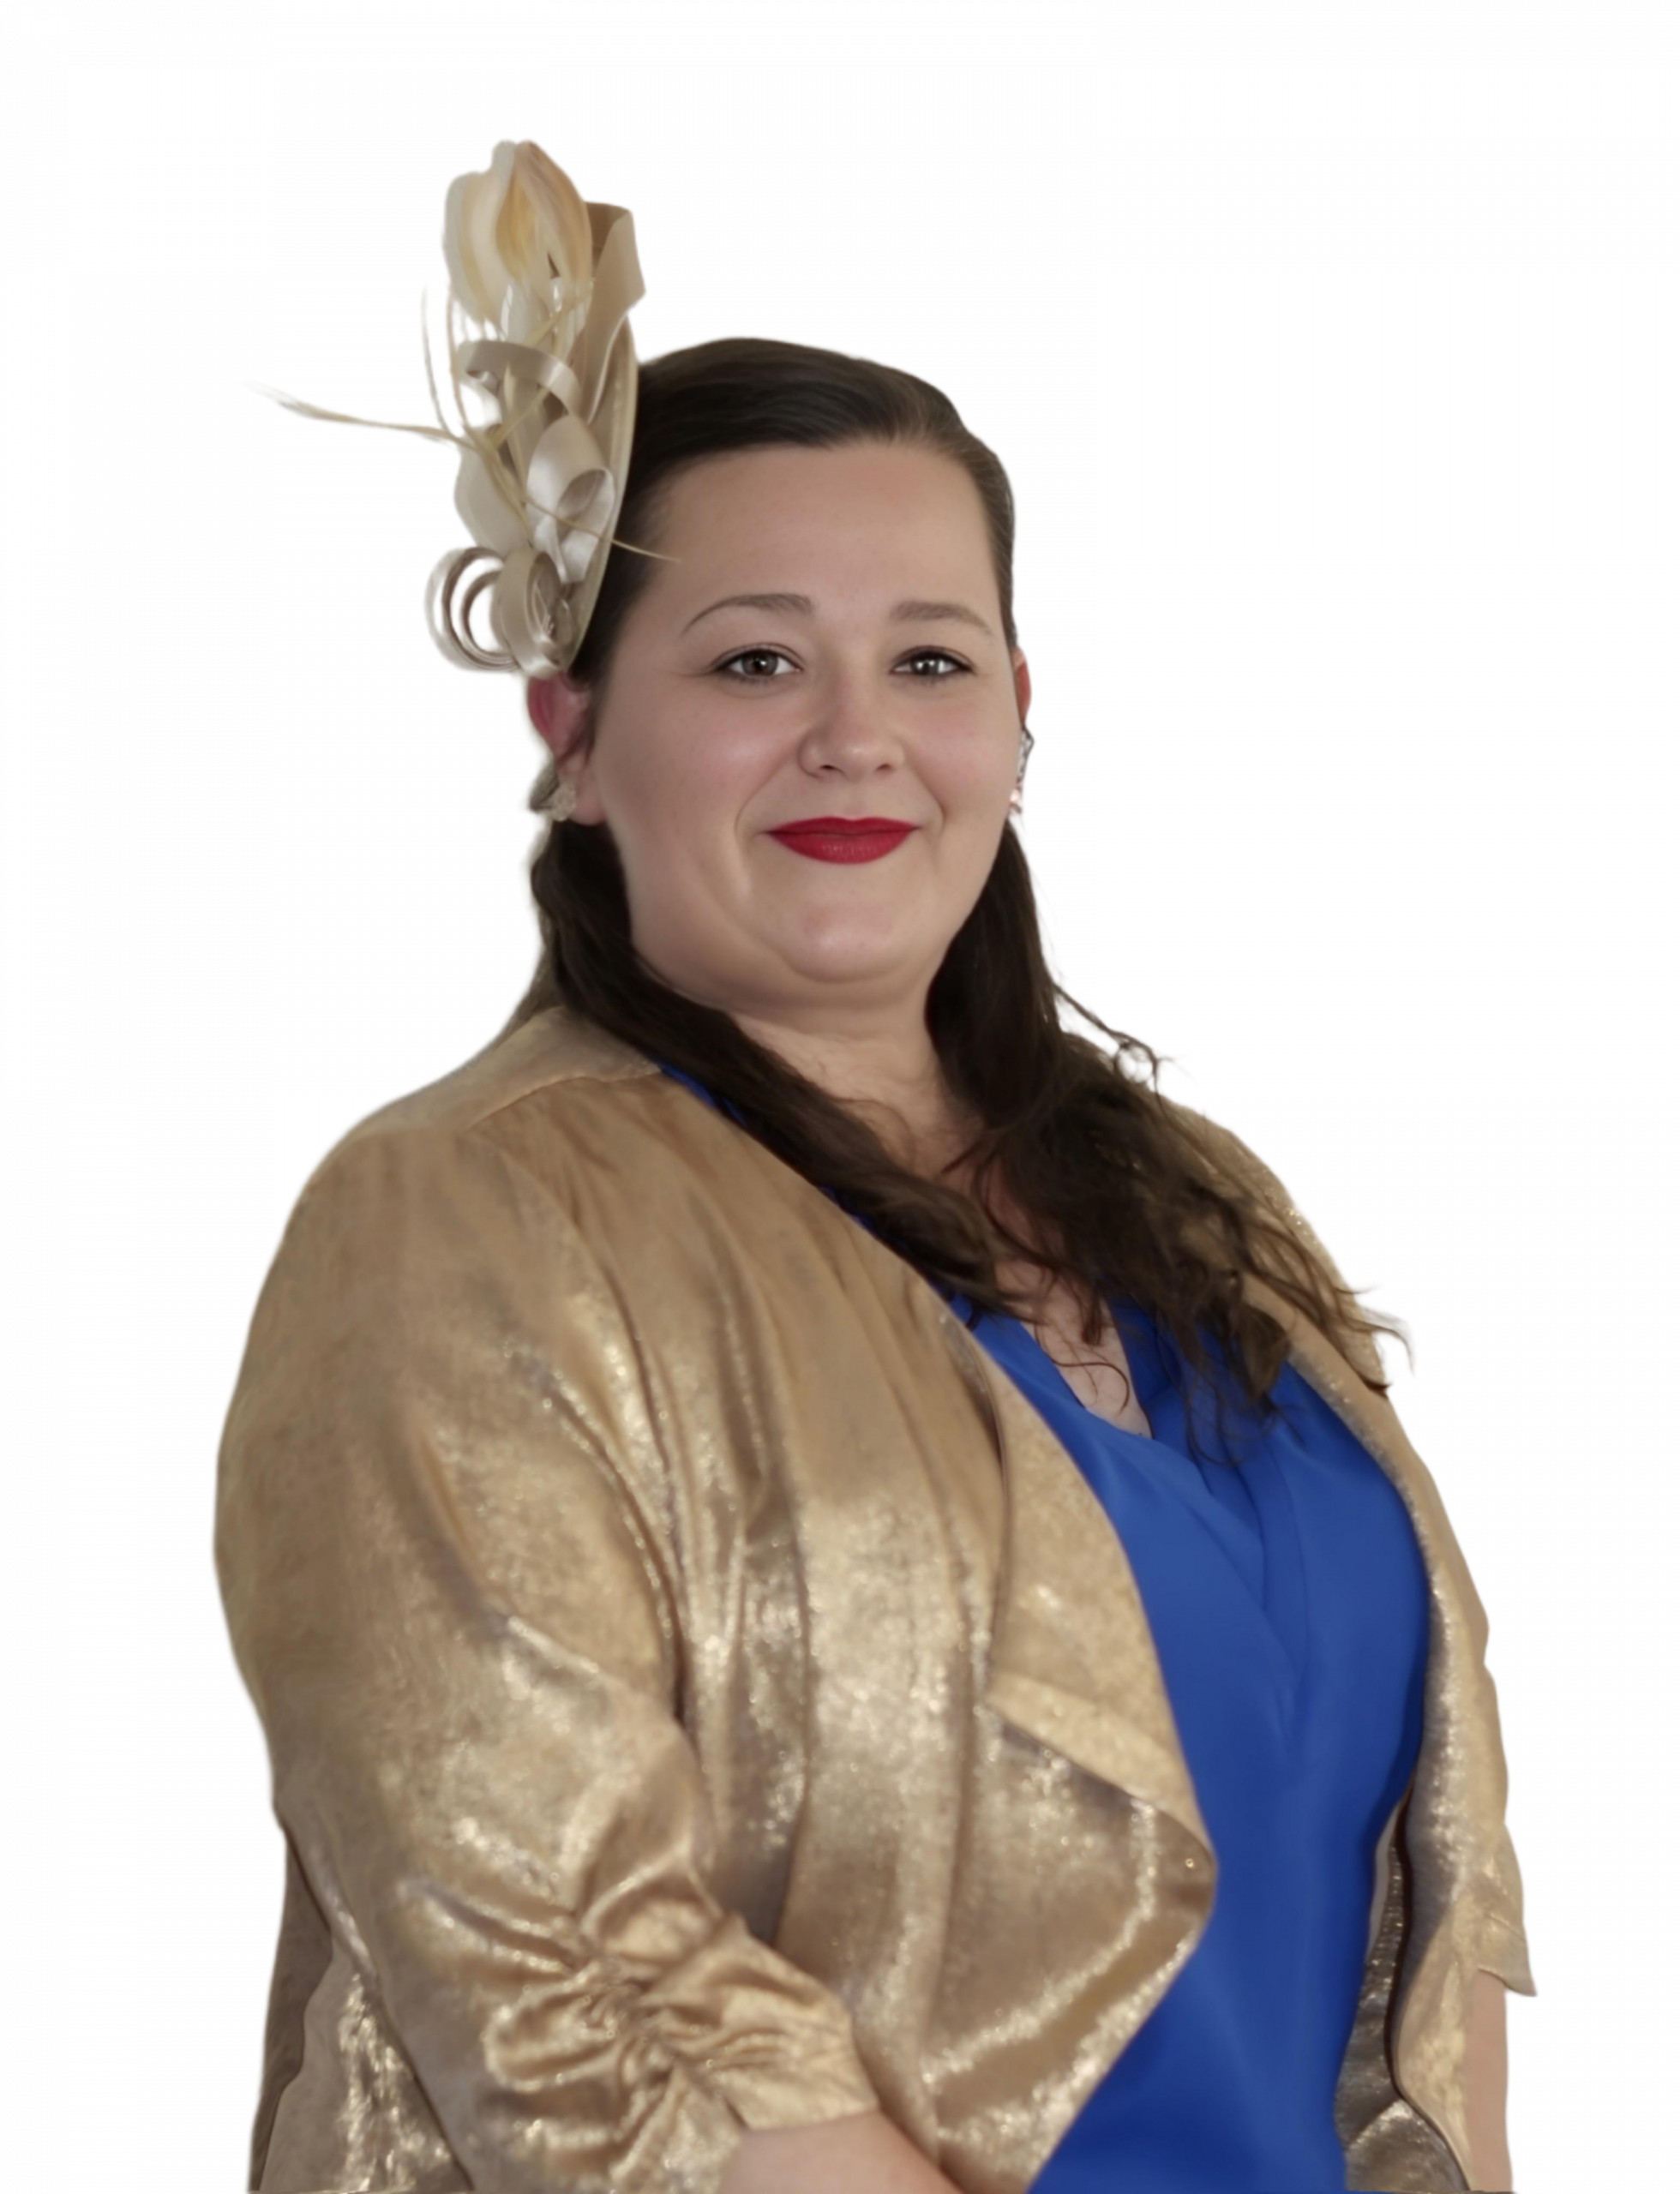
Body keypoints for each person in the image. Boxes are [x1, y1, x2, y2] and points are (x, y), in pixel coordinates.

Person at [215, 138, 1534, 2192]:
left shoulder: (1196, 1193)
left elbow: (1422, 1906)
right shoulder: (453, 1218)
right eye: (751, 661)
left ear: (1015, 711)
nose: (854, 735)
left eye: (925, 658)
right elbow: (575, 1975)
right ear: (570, 728)